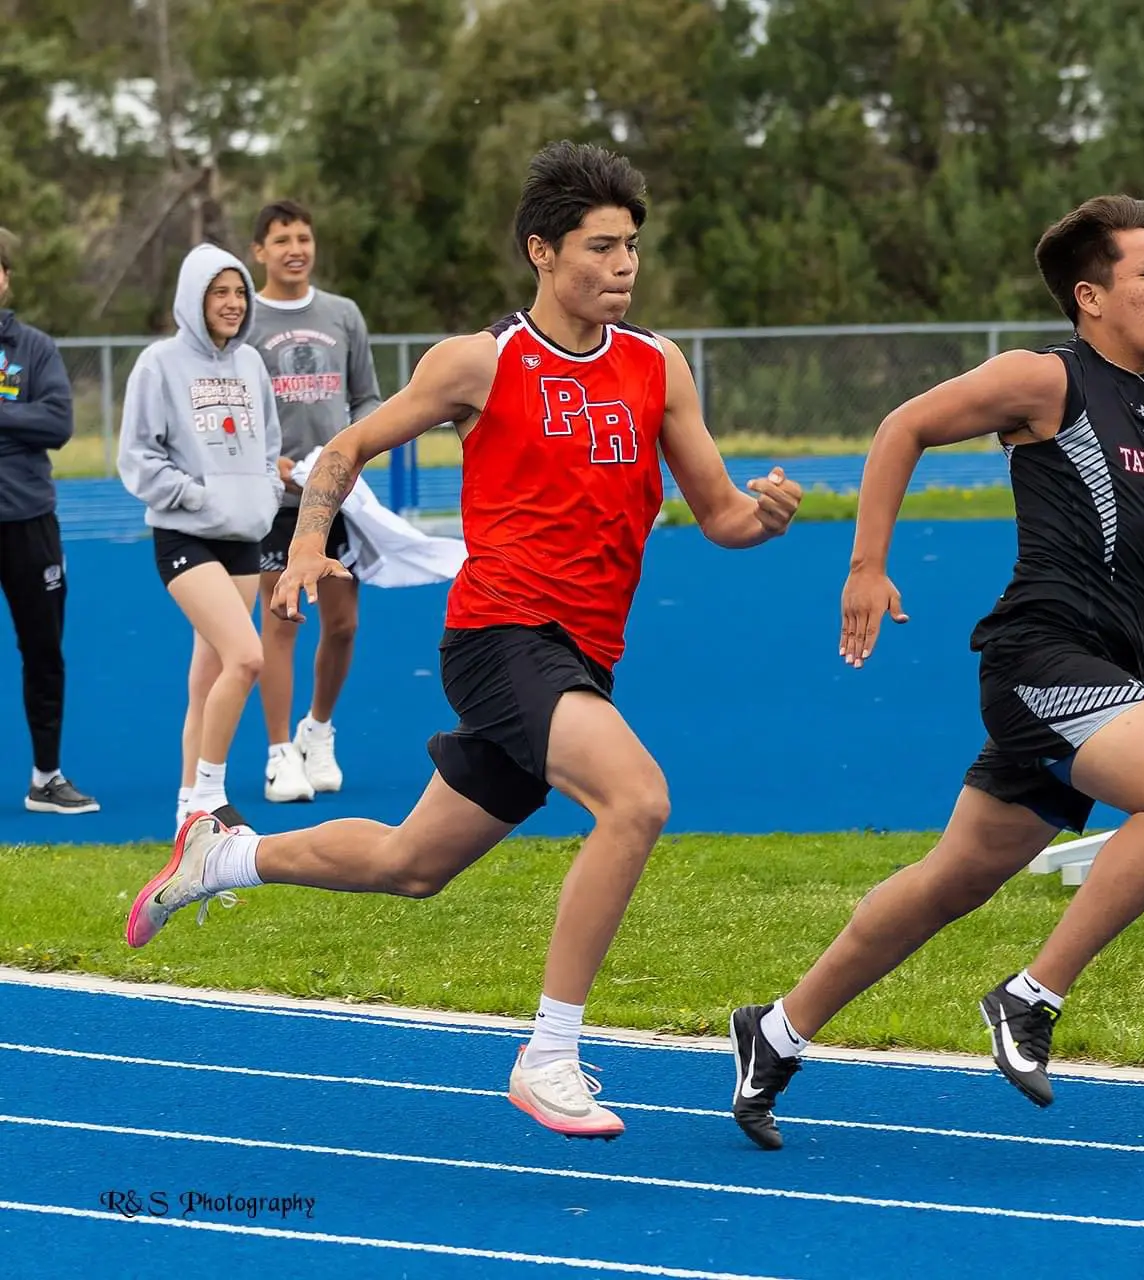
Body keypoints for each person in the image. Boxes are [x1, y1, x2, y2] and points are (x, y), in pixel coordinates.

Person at [123, 140, 803, 1141]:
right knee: (636, 797)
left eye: (632, 248)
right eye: (601, 247)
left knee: (411, 861)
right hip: (499, 635)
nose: (623, 266)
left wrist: (765, 512)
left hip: (581, 654)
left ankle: (228, 855)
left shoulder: (657, 367)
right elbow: (345, 446)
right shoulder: (481, 361)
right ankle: (550, 1052)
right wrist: (308, 545)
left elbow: (718, 514)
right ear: (541, 249)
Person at [727, 194, 1144, 1151]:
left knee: (952, 882)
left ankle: (775, 1031)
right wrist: (865, 564)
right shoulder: (1041, 379)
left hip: (1104, 670)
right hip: (1039, 656)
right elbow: (901, 429)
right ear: (1091, 296)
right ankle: (1029, 999)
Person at [118, 242, 283, 836]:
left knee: (210, 676)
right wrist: (197, 495)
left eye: (240, 292)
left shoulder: (251, 365)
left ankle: (186, 805)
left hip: (242, 536)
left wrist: (261, 497)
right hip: (185, 535)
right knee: (247, 657)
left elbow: (267, 447)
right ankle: (207, 799)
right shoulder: (158, 364)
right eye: (220, 292)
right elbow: (136, 457)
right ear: (194, 298)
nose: (234, 303)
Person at [247, 199, 383, 805]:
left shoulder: (342, 314)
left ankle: (317, 731)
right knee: (280, 623)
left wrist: (351, 455)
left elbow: (368, 400)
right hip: (273, 501)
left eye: (304, 236)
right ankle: (279, 754)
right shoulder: (242, 317)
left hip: (335, 500)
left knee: (345, 624)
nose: (295, 248)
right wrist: (262, 462)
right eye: (282, 240)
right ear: (260, 252)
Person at [0, 228, 97, 814]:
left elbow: (57, 424)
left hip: (28, 521)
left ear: (7, 277)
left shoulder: (33, 347)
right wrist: (18, 418)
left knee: (43, 651)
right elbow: (33, 420)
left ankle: (46, 778)